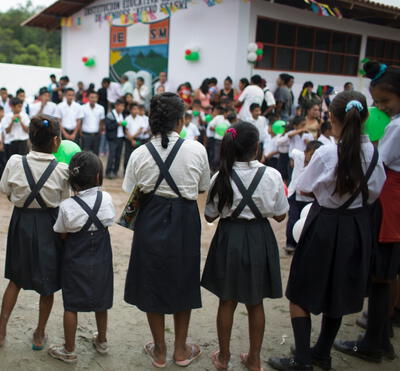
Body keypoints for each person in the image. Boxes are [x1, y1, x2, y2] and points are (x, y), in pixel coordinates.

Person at [268, 91, 386, 371]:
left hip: (324, 224)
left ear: (331, 118)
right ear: (366, 118)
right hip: (356, 228)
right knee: (339, 292)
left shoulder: (326, 153)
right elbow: (376, 191)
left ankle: (302, 360)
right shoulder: (374, 155)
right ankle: (322, 352)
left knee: (300, 293)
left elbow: (305, 187)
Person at [123, 93, 210, 368]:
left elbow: (132, 191)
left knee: (151, 280)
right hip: (184, 219)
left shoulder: (139, 153)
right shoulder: (197, 150)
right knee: (184, 279)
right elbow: (201, 188)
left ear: (152, 122)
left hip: (150, 217)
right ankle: (181, 350)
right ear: (181, 121)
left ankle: (159, 350)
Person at [202, 122, 288, 371]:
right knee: (255, 302)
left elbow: (209, 216)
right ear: (256, 147)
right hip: (259, 237)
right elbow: (281, 216)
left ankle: (224, 357)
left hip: (229, 238)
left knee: (226, 300)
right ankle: (254, 359)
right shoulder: (272, 175)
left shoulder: (221, 176)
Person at [333, 62, 400, 364]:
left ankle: (373, 341)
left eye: (385, 102)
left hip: (389, 203)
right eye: (377, 102)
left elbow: (378, 160)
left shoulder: (396, 127)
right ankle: (382, 337)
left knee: (380, 275)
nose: (381, 108)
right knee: (386, 273)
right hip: (394, 200)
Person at [0, 114, 69, 350]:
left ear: (30, 138)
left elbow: (5, 190)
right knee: (48, 283)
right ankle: (39, 333)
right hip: (50, 225)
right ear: (56, 141)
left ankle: (1, 331)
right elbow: (65, 202)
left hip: (21, 223)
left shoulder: (15, 162)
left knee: (15, 279)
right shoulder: (62, 170)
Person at [48, 151, 115, 363]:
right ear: (98, 177)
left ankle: (69, 350)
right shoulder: (106, 198)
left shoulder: (67, 206)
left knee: (71, 304)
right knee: (102, 300)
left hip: (75, 258)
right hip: (102, 256)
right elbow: (109, 220)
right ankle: (102, 340)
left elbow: (62, 232)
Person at [284, 141, 323, 254]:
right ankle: (290, 243)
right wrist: (292, 162)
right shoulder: (299, 155)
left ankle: (304, 245)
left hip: (310, 198)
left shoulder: (318, 164)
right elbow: (293, 152)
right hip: (295, 196)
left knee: (308, 222)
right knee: (292, 219)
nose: (312, 158)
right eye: (311, 154)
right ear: (305, 152)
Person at [105, 98, 126, 179]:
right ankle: (108, 172)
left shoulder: (122, 115)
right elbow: (108, 127)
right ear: (116, 106)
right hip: (113, 138)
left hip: (120, 138)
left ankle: (115, 171)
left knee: (118, 155)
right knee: (112, 155)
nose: (122, 108)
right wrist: (117, 124)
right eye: (121, 106)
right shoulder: (110, 115)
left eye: (123, 106)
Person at [80, 91, 105, 156]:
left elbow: (101, 121)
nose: (93, 99)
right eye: (91, 97)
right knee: (85, 154)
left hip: (96, 135)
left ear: (97, 98)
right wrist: (80, 132)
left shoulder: (101, 108)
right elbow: (80, 121)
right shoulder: (83, 107)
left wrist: (100, 132)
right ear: (88, 98)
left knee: (96, 154)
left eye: (95, 97)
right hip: (85, 135)